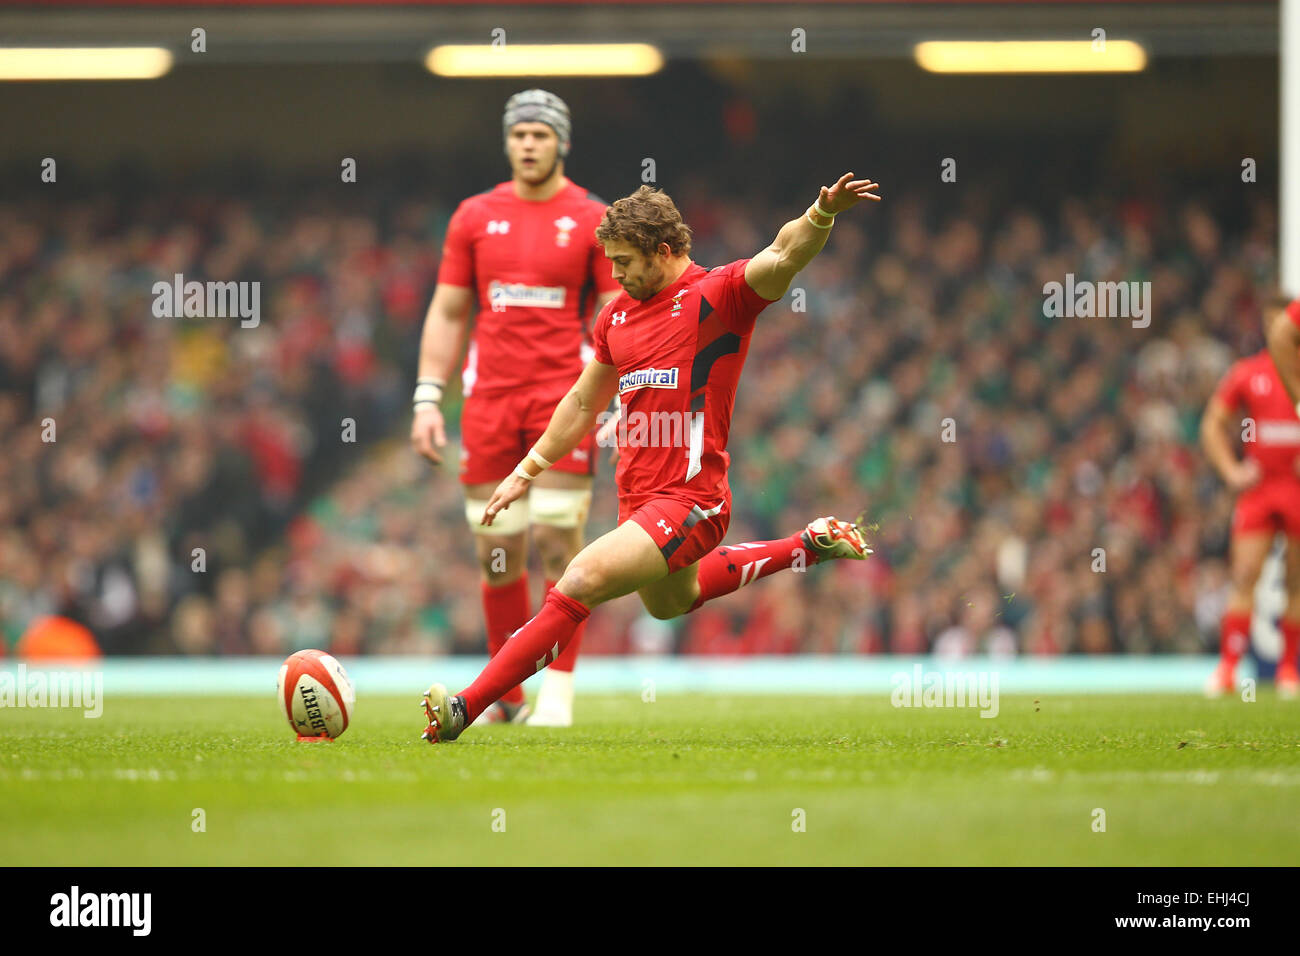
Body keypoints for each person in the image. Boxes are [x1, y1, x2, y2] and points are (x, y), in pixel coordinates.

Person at [420, 173, 881, 742]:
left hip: (692, 501)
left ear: (663, 251)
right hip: (638, 502)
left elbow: (783, 254)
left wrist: (820, 214)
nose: (612, 274)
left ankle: (465, 708)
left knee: (579, 578)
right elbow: (584, 400)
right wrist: (526, 470)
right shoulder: (615, 317)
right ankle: (803, 546)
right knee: (671, 603)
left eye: (622, 261)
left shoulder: (720, 296)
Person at [410, 90, 621, 727]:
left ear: (562, 143)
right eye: (520, 133)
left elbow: (615, 313)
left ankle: (556, 696)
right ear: (507, 142)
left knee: (560, 542)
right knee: (497, 553)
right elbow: (449, 311)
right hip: (489, 402)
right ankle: (507, 697)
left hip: (563, 399)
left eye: (542, 134)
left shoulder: (591, 217)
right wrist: (426, 398)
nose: (530, 143)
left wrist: (615, 396)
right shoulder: (474, 217)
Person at [1201, 297, 1300, 698]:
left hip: (1296, 488)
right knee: (1245, 575)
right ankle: (1228, 667)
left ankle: (1289, 670)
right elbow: (1213, 423)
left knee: (1297, 582)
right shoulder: (1249, 373)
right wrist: (1230, 470)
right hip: (1260, 488)